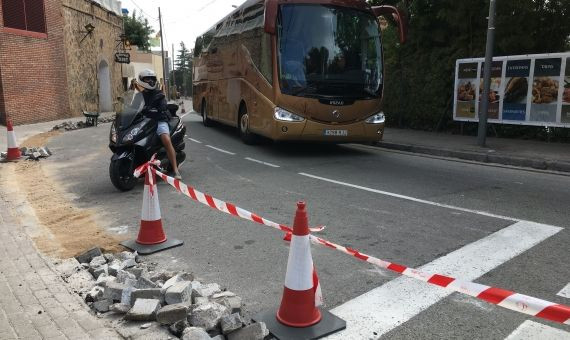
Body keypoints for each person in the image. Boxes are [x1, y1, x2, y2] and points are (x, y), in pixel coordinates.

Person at [136, 69, 182, 180]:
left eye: (152, 79)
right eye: (147, 79)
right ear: (142, 80)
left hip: (159, 121)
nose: (150, 81)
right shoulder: (139, 96)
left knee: (165, 139)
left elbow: (163, 106)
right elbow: (132, 108)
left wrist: (159, 109)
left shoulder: (159, 94)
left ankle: (176, 170)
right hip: (144, 122)